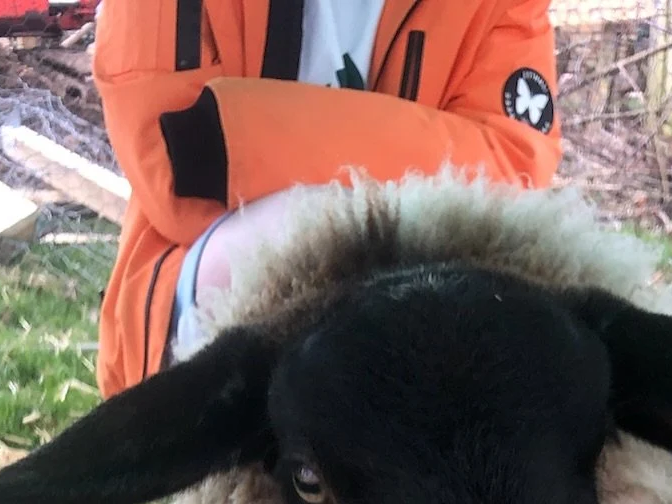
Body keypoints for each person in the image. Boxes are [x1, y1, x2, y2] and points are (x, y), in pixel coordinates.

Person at [89, 0, 562, 395]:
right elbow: (183, 156)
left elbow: (509, 175)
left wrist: (243, 128)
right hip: (197, 283)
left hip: (423, 298)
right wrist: (425, 153)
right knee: (273, 245)